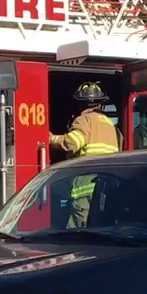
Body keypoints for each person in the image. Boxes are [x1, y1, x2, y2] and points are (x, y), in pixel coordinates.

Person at [50, 82, 120, 227]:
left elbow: (72, 143)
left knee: (78, 224)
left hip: (87, 180)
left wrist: (51, 138)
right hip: (107, 180)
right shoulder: (108, 123)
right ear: (100, 104)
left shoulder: (84, 120)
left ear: (80, 105)